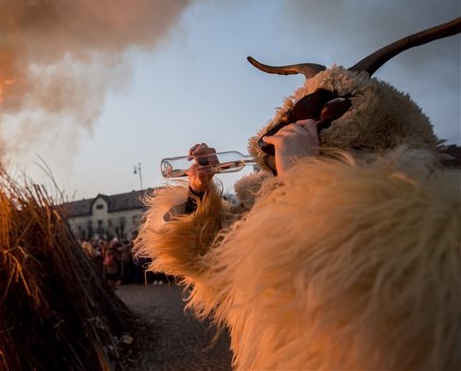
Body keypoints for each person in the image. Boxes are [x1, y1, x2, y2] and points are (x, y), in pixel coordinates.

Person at [135, 19, 460, 370]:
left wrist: (304, 180)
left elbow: (366, 304)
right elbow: (204, 258)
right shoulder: (267, 195)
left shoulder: (423, 200)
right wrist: (200, 193)